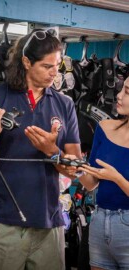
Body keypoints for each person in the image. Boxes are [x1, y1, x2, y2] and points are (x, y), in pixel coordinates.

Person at [0, 29, 82, 270]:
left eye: (57, 65)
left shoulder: (64, 104)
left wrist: (51, 150)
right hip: (1, 224)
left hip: (50, 224)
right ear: (26, 62)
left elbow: (76, 170)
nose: (55, 72)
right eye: (47, 66)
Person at [69, 77, 129, 270]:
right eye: (121, 89)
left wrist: (116, 178)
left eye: (127, 92)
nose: (118, 96)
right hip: (99, 222)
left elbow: (111, 177)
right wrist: (76, 167)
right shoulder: (104, 128)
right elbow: (92, 182)